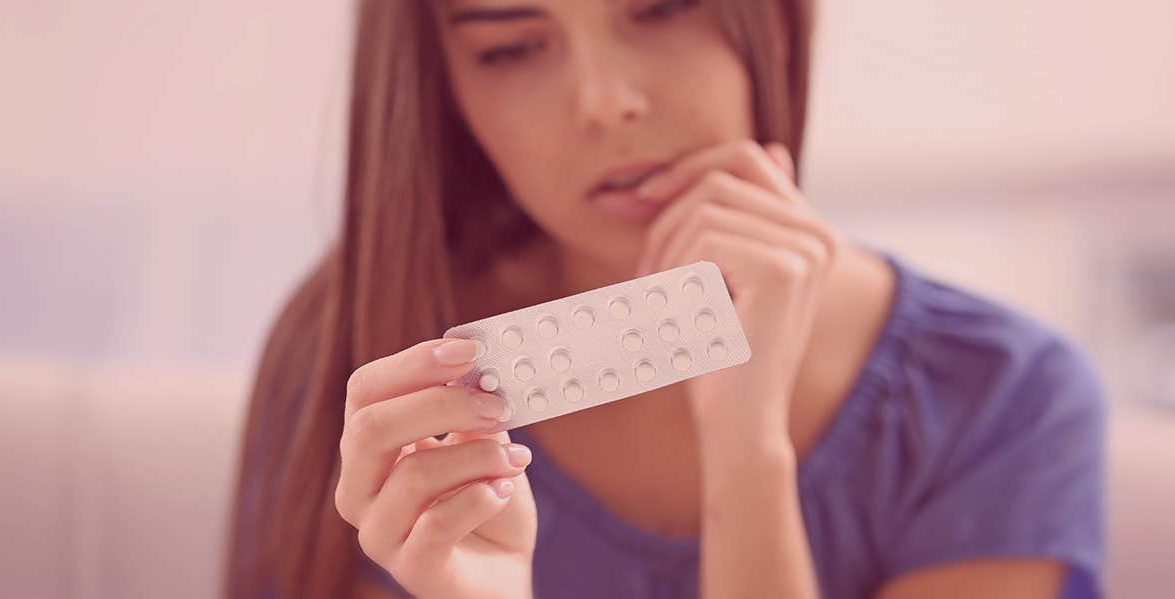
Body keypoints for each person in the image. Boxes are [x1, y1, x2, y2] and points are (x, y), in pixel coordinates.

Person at [223, 1, 1106, 598]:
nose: (605, 103)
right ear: (443, 87)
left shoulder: (1001, 401)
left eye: (661, 5)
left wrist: (747, 454)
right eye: (511, 47)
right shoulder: (367, 365)